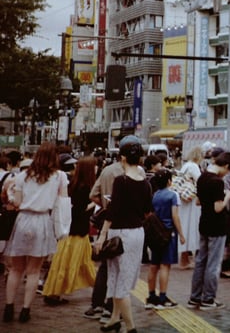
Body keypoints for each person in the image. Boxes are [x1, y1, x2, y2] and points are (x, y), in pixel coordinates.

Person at [3, 143, 69, 324]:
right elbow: (62, 203)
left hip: (23, 220)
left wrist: (12, 196)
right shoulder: (60, 177)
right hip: (43, 222)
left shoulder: (23, 176)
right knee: (33, 271)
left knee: (16, 269)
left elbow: (16, 202)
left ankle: (8, 307)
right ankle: (25, 310)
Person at [94, 135, 153, 333]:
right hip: (137, 233)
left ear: (123, 159)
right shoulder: (145, 183)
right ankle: (114, 318)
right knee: (121, 275)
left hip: (120, 233)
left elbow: (113, 211)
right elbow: (147, 210)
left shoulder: (121, 181)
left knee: (120, 281)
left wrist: (102, 236)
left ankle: (131, 327)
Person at [42, 156, 97, 306]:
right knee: (69, 262)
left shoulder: (73, 183)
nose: (97, 168)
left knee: (80, 262)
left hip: (71, 230)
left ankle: (98, 289)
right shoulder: (84, 187)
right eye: (95, 166)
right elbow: (80, 210)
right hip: (76, 231)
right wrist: (94, 203)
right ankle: (54, 293)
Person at [189, 151, 230, 310]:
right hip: (217, 226)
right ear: (227, 166)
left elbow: (198, 202)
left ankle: (195, 297)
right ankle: (208, 299)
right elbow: (218, 208)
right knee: (213, 264)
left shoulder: (202, 177)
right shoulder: (217, 182)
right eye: (228, 171)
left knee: (200, 260)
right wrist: (229, 196)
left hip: (204, 223)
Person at [144, 169, 184, 310]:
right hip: (168, 233)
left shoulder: (154, 195)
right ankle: (162, 297)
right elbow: (175, 216)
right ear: (169, 181)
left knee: (154, 265)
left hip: (155, 233)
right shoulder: (173, 195)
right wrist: (181, 234)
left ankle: (150, 296)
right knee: (165, 266)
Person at [177, 147, 203, 270]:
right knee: (190, 227)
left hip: (184, 199)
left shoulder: (186, 165)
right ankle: (184, 259)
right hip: (190, 200)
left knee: (185, 226)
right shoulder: (193, 166)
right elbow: (201, 181)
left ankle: (184, 258)